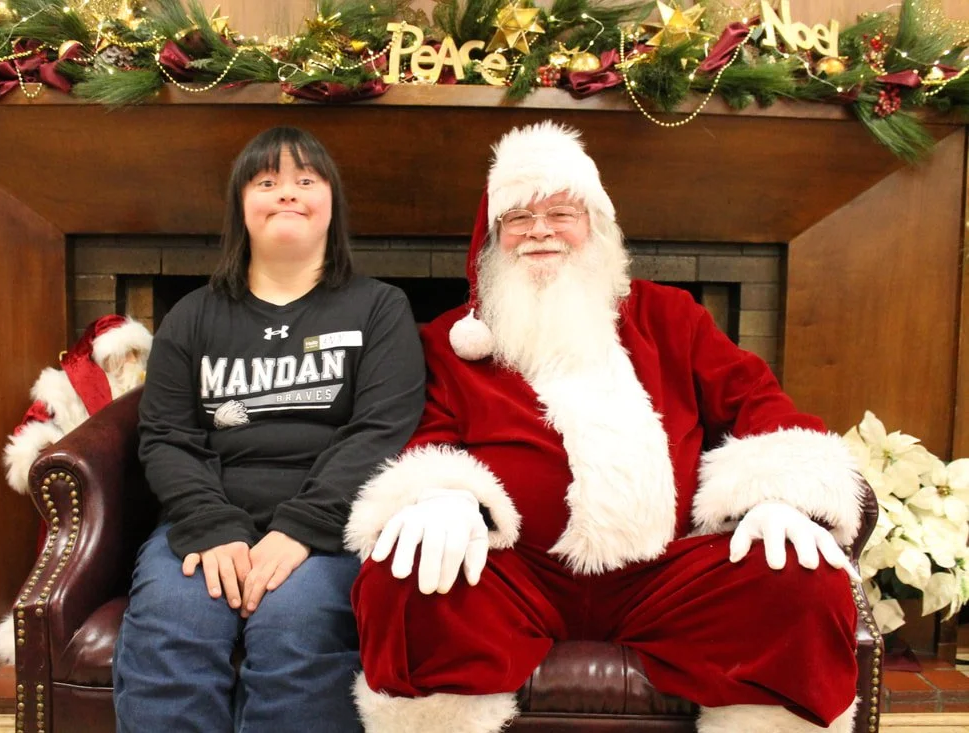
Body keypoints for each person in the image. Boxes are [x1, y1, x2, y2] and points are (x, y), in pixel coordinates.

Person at [344, 121, 865, 733]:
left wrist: (779, 497)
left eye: (560, 212)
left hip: (667, 576)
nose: (539, 231)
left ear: (595, 225)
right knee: (405, 577)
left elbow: (758, 398)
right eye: (517, 218)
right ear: (492, 240)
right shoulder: (451, 343)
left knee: (800, 582)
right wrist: (440, 494)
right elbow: (424, 433)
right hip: (518, 577)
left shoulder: (672, 316)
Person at [113, 126, 426, 733]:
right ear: (241, 206)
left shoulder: (379, 309)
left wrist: (302, 529)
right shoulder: (193, 316)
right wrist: (213, 527)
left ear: (332, 205)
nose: (288, 193)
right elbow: (167, 437)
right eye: (267, 181)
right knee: (174, 625)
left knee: (298, 625)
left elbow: (380, 432)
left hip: (328, 530)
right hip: (206, 521)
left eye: (306, 181)